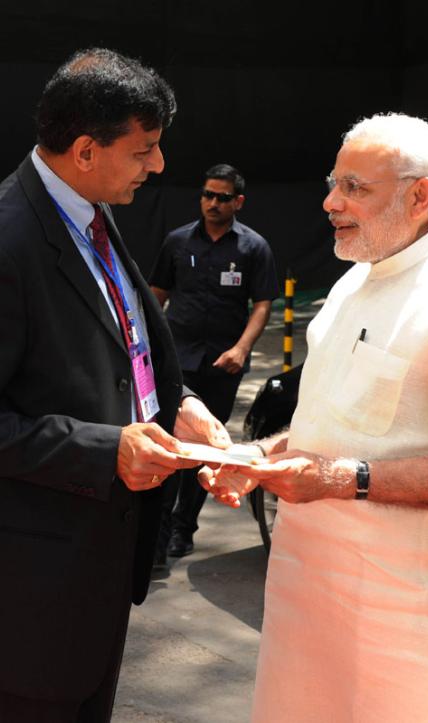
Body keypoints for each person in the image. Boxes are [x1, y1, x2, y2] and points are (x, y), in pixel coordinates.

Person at [0, 48, 230, 723]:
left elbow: (134, 334)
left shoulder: (87, 206)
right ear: (86, 150)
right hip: (24, 600)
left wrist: (181, 405)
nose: (160, 165)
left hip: (92, 572)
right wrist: (105, 447)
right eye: (145, 149)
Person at [201, 113, 428, 722]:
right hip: (307, 590)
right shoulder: (351, 284)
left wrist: (339, 479)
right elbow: (334, 424)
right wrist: (263, 456)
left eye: (356, 187)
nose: (330, 202)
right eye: (335, 182)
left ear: (420, 196)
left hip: (403, 615)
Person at [149, 164, 279, 560]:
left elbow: (262, 304)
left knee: (209, 448)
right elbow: (156, 294)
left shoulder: (253, 247)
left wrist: (241, 348)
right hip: (177, 363)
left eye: (222, 197)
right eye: (207, 195)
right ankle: (158, 532)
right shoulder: (176, 242)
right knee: (170, 443)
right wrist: (151, 349)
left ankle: (184, 527)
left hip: (223, 364)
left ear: (238, 201)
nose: (213, 203)